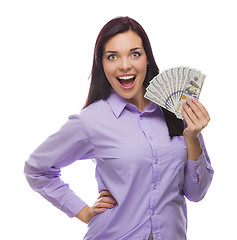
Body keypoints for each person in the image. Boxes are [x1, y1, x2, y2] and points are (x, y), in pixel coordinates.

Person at [24, 16, 214, 240]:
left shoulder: (176, 113)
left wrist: (192, 137)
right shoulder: (91, 120)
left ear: (147, 60)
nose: (125, 65)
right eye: (112, 56)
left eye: (135, 54)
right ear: (101, 64)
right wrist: (84, 212)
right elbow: (37, 169)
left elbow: (196, 194)